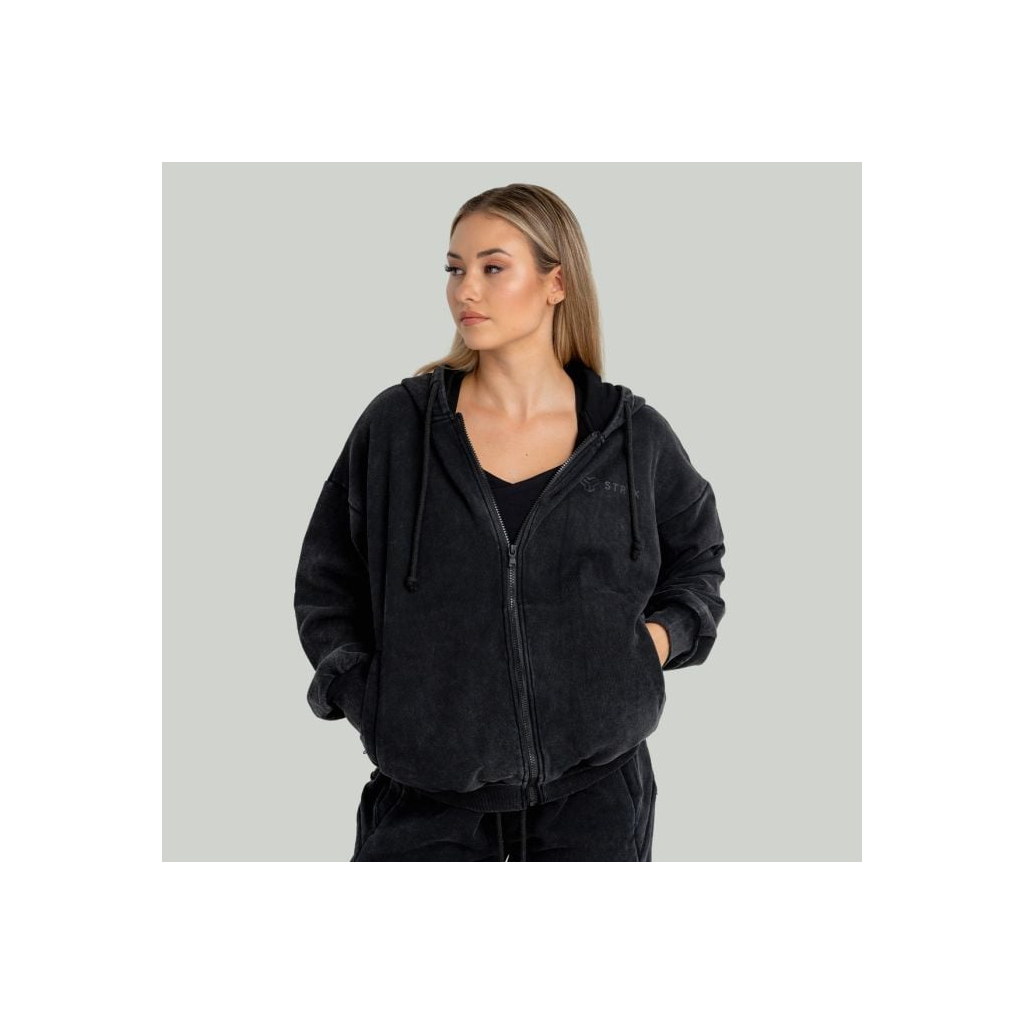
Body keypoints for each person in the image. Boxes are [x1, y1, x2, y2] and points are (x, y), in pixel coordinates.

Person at [293, 183, 726, 861]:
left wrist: (651, 645)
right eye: (455, 268)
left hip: (596, 803)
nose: (466, 290)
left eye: (493, 267)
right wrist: (372, 698)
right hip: (426, 803)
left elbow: (698, 560)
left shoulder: (631, 437)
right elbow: (327, 582)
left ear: (557, 283)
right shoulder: (399, 428)